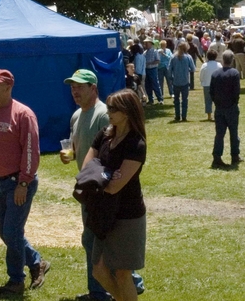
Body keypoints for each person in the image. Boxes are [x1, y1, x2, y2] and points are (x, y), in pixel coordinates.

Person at [60, 69, 144, 300]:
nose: (74, 90)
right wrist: (73, 155)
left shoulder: (103, 118)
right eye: (72, 86)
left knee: (108, 254)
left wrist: (98, 176)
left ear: (93, 88)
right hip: (92, 191)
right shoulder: (77, 116)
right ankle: (114, 288)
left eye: (80, 86)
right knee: (97, 250)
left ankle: (110, 289)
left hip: (117, 203)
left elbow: (113, 174)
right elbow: (89, 156)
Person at [0, 69, 49, 295]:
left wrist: (24, 184)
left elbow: (31, 152)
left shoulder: (23, 114)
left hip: (19, 182)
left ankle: (16, 280)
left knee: (11, 232)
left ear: (8, 87)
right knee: (5, 231)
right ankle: (36, 263)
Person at [83, 89, 147, 301]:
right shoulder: (104, 134)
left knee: (122, 273)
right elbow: (86, 169)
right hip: (102, 211)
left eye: (114, 108)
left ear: (127, 112)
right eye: (108, 106)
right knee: (99, 270)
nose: (109, 111)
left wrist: (101, 173)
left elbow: (114, 187)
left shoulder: (136, 144)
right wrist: (107, 174)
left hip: (127, 215)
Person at [209, 50, 243, 168]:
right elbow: (236, 92)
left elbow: (211, 92)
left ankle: (217, 156)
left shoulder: (215, 74)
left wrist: (217, 102)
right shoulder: (234, 73)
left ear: (222, 60)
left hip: (219, 107)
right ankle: (235, 155)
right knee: (234, 133)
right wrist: (234, 102)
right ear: (232, 60)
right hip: (231, 107)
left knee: (219, 134)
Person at [169, 41, 196, 122]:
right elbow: (193, 69)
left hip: (176, 81)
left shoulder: (173, 57)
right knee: (185, 100)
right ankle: (184, 116)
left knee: (176, 100)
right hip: (185, 81)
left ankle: (177, 116)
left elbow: (169, 69)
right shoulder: (188, 57)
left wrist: (171, 78)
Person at [199, 49, 222, 121]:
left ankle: (209, 116)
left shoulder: (204, 65)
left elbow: (201, 75)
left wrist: (202, 81)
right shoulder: (219, 65)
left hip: (207, 85)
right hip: (217, 85)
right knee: (218, 100)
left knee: (208, 100)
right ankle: (218, 114)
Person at [142, 39, 163, 105]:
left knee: (155, 84)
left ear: (151, 44)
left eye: (147, 43)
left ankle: (160, 99)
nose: (145, 45)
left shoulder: (155, 51)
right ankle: (151, 99)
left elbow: (158, 60)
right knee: (147, 85)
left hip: (153, 69)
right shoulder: (145, 52)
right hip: (146, 70)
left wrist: (150, 63)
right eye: (145, 43)